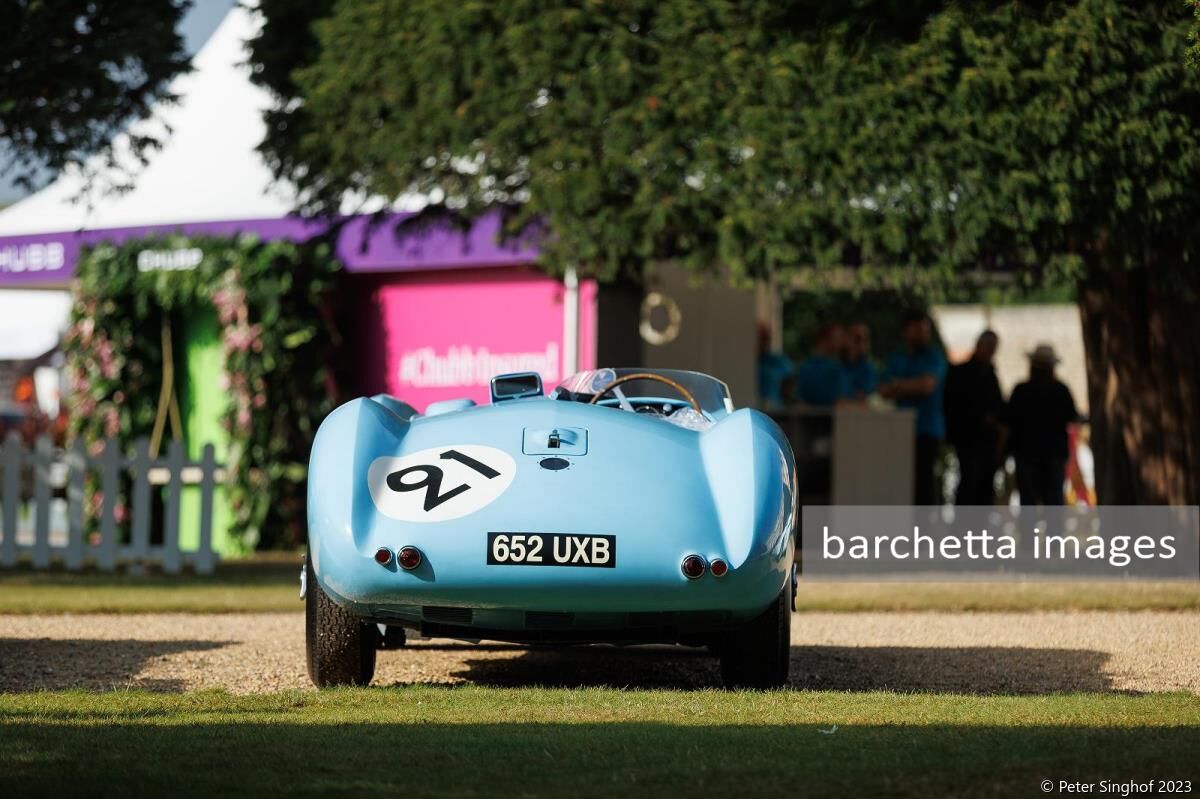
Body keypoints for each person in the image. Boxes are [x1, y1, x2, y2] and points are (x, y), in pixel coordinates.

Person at [880, 310, 947, 505]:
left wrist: (898, 387)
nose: (922, 335)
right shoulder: (897, 357)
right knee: (900, 485)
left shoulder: (934, 357)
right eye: (917, 330)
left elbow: (927, 386)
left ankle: (924, 532)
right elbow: (883, 389)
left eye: (924, 330)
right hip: (898, 432)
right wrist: (910, 386)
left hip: (927, 430)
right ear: (906, 331)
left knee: (924, 485)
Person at [1008, 343, 1080, 506]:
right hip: (1052, 454)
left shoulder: (1021, 391)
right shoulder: (1060, 390)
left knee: (1029, 503)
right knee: (1053, 503)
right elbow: (1072, 417)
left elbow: (1009, 419)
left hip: (1026, 453)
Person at [944, 330, 1005, 505]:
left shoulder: (990, 374)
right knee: (969, 484)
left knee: (983, 487)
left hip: (986, 440)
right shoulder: (962, 373)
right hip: (968, 437)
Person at [794, 322, 850, 406]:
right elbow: (841, 402)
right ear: (826, 339)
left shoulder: (804, 367)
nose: (843, 342)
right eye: (839, 337)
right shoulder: (835, 369)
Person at [756, 322, 795, 407]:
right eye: (761, 338)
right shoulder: (749, 364)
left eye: (765, 338)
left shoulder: (778, 361)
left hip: (775, 409)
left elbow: (791, 381)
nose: (763, 342)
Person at [843, 322, 878, 400]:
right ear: (846, 339)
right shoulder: (835, 366)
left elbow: (866, 397)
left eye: (866, 340)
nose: (862, 345)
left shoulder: (868, 369)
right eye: (857, 339)